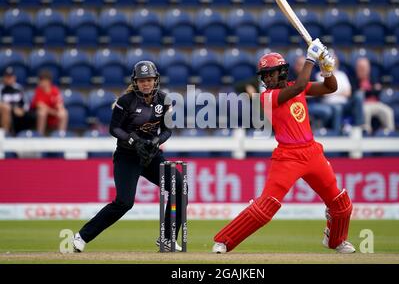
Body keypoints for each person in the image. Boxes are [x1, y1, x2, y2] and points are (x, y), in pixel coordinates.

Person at [212, 39, 356, 254]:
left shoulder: (293, 86)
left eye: (272, 73)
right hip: (288, 157)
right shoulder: (267, 97)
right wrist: (311, 59)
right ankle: (224, 241)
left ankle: (335, 241)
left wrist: (327, 70)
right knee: (266, 207)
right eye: (265, 75)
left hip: (312, 152)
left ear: (282, 72)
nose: (268, 78)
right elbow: (299, 86)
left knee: (340, 203)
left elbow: (330, 87)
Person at [72, 61, 186, 253]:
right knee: (124, 203)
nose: (146, 84)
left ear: (155, 80)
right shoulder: (126, 101)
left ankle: (167, 239)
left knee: (179, 186)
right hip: (127, 157)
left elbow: (168, 130)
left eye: (149, 80)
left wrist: (155, 141)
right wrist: (134, 141)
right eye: (142, 81)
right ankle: (82, 236)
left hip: (150, 156)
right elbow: (114, 128)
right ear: (135, 82)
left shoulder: (164, 100)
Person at [315, 52, 364, 133]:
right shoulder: (320, 75)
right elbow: (323, 93)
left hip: (345, 103)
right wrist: (339, 91)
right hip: (329, 103)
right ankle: (336, 132)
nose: (332, 63)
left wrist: (331, 91)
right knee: (338, 108)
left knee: (359, 96)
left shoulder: (342, 74)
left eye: (334, 62)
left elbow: (348, 93)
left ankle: (358, 127)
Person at [352, 57, 395, 134]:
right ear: (357, 69)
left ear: (368, 69)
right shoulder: (354, 80)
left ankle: (389, 133)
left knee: (388, 111)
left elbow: (378, 91)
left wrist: (366, 91)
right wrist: (372, 90)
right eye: (360, 68)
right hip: (364, 104)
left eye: (364, 68)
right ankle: (367, 133)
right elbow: (357, 94)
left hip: (376, 103)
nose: (363, 70)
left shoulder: (372, 79)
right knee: (366, 111)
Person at [30, 70, 68, 136]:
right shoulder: (38, 90)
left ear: (49, 81)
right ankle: (40, 135)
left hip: (53, 116)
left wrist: (60, 109)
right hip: (41, 117)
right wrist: (54, 113)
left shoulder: (55, 90)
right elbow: (40, 105)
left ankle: (61, 136)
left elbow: (59, 103)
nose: (42, 82)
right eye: (41, 80)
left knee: (64, 113)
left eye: (44, 80)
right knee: (42, 112)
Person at [0, 67, 34, 135]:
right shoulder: (1, 89)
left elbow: (26, 102)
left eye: (10, 77)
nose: (9, 79)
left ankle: (28, 135)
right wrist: (13, 109)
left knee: (29, 115)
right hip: (6, 112)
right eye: (7, 77)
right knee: (7, 109)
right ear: (4, 78)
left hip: (19, 112)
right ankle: (6, 135)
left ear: (14, 78)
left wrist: (23, 110)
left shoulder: (19, 88)